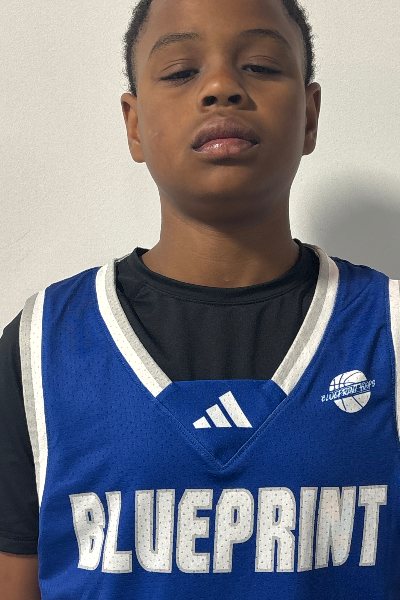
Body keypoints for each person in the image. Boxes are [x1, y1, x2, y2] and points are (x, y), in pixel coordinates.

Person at [1, 0, 399, 598]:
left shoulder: (389, 330)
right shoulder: (41, 347)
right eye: (182, 71)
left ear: (310, 115)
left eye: (260, 65)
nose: (220, 87)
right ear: (134, 124)